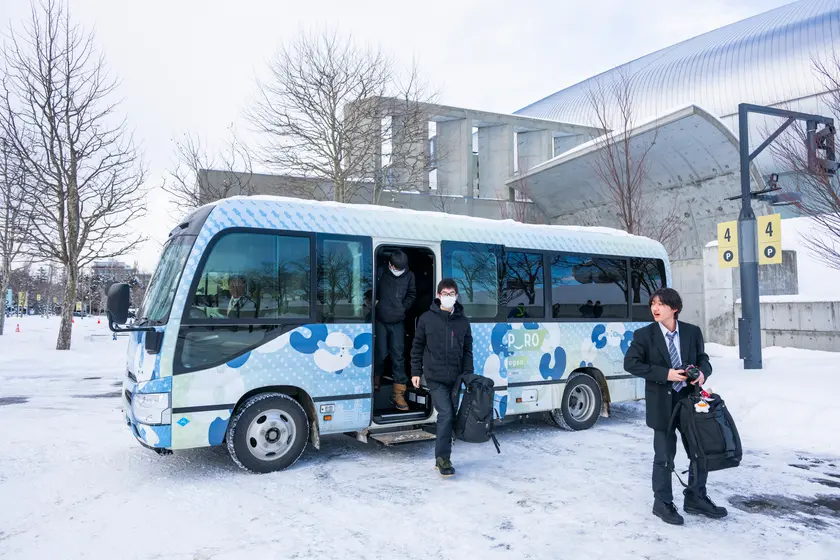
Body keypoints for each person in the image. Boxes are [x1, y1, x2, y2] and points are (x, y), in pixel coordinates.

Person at [624, 287, 727, 526]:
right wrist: (665, 374)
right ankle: (662, 503)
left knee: (700, 453)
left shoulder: (692, 332)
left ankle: (695, 497)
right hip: (662, 404)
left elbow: (704, 359)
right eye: (653, 304)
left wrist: (702, 373)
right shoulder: (644, 335)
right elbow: (631, 364)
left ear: (675, 308)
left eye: (660, 304)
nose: (655, 308)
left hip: (690, 403)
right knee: (664, 456)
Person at [410, 279, 473, 477]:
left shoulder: (463, 321)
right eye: (445, 293)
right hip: (435, 376)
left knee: (450, 416)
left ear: (456, 295)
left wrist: (468, 375)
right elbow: (417, 347)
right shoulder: (427, 318)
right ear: (438, 296)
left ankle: (444, 451)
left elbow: (467, 350)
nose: (448, 296)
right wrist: (415, 372)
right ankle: (442, 459)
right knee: (445, 414)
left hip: (455, 377)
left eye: (452, 293)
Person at [374, 250, 416, 408]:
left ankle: (399, 394)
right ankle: (375, 381)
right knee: (380, 352)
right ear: (390, 265)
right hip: (380, 320)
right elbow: (370, 291)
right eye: (396, 268)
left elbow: (412, 294)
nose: (399, 271)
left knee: (398, 356)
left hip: (398, 321)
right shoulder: (379, 272)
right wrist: (375, 304)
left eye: (402, 269)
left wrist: (402, 309)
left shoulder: (409, 276)